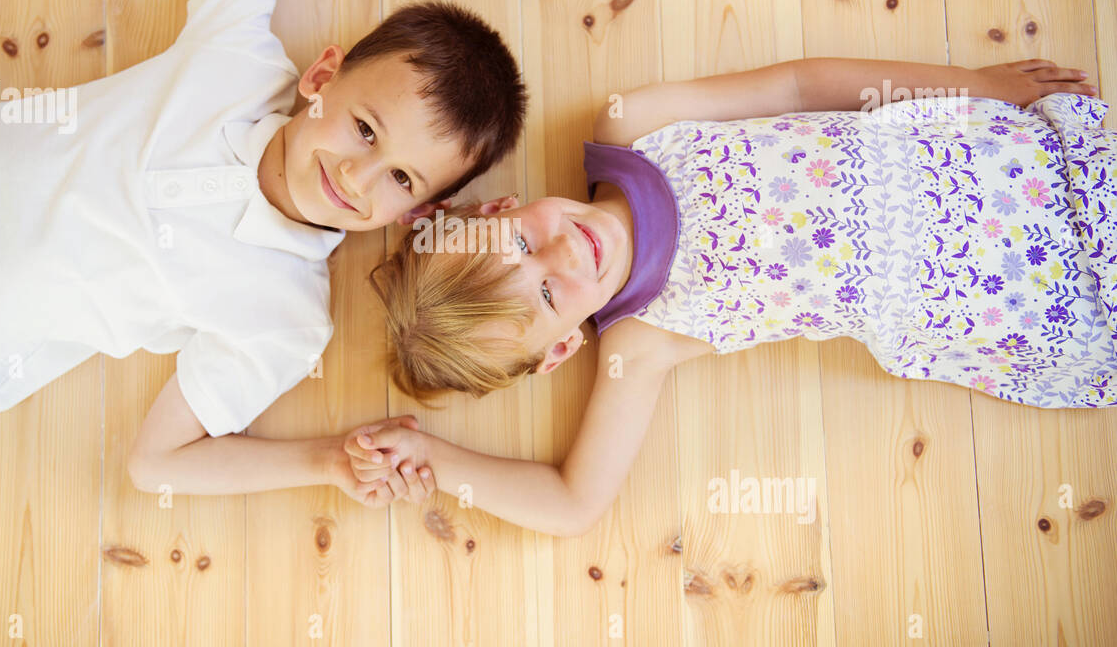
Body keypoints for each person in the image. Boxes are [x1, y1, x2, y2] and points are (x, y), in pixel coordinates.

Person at [0, 0, 534, 508]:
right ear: (321, 79)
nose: (357, 177)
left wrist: (325, 462)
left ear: (415, 212)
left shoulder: (285, 320)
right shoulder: (237, 58)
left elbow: (155, 462)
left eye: (401, 180)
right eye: (365, 129)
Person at [348, 57, 1111, 533]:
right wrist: (434, 458)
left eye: (519, 242)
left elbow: (799, 83)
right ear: (558, 350)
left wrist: (978, 85)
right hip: (998, 290)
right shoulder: (641, 342)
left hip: (988, 161)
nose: (560, 251)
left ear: (496, 210)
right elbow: (575, 504)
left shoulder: (634, 127)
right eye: (548, 292)